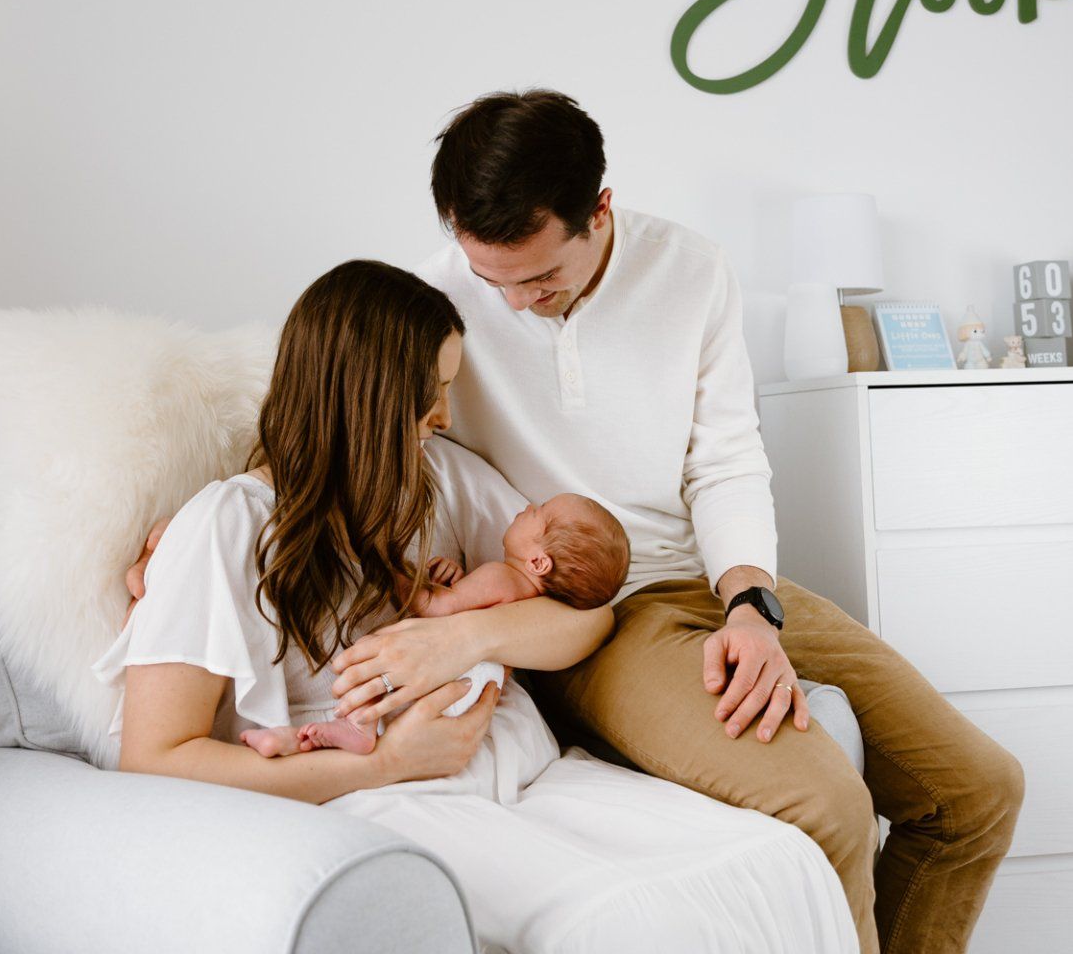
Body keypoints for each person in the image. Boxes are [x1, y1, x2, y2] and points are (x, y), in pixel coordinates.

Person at [325, 90, 1024, 954]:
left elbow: (725, 461)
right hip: (586, 617)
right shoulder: (434, 302)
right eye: (491, 279)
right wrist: (221, 517)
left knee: (978, 793)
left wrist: (750, 608)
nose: (512, 303)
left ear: (601, 211)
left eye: (541, 277)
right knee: (829, 803)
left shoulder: (690, 269)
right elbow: (338, 422)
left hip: (703, 578)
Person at [97, 259, 854, 952]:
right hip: (379, 791)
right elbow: (155, 759)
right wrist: (388, 763)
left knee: (774, 864)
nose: (447, 417)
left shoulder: (439, 480)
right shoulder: (226, 527)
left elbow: (583, 612)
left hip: (519, 770)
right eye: (433, 392)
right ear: (370, 398)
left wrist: (455, 643)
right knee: (620, 923)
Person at [237, 494, 629, 759]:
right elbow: (464, 603)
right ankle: (316, 739)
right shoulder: (522, 594)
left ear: (539, 562)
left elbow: (437, 608)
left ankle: (337, 732)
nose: (526, 506)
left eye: (537, 513)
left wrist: (387, 565)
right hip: (475, 686)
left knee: (375, 672)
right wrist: (455, 579)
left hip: (454, 677)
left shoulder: (499, 576)